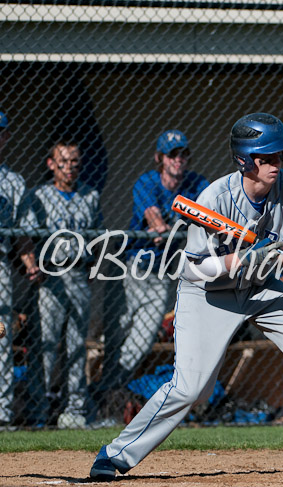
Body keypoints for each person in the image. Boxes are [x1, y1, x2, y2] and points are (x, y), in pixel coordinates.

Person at [90, 112, 283, 481]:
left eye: (279, 156)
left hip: (259, 287)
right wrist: (240, 258)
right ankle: (115, 455)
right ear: (245, 160)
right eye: (267, 157)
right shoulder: (215, 198)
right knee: (190, 388)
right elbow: (193, 268)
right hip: (208, 295)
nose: (276, 163)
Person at [94, 130, 209, 423]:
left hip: (159, 276)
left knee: (141, 343)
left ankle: (101, 394)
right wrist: (185, 226)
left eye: (183, 154)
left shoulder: (196, 184)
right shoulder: (147, 181)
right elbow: (156, 223)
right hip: (129, 270)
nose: (178, 160)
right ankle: (100, 399)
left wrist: (183, 228)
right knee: (116, 340)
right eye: (172, 154)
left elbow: (211, 215)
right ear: (160, 159)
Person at [19, 139, 104, 429]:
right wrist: (32, 264)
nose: (70, 168)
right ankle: (38, 411)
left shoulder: (89, 195)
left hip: (78, 272)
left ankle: (74, 410)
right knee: (46, 347)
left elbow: (97, 239)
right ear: (51, 164)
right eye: (63, 162)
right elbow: (26, 234)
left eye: (75, 163)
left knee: (77, 346)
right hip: (50, 276)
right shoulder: (38, 195)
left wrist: (94, 267)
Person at [0, 111, 32, 429]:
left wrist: (30, 263)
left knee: (0, 338)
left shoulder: (12, 182)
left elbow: (22, 232)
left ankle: (1, 413)